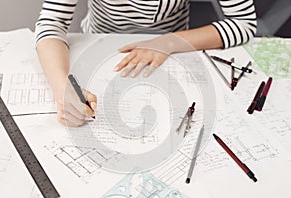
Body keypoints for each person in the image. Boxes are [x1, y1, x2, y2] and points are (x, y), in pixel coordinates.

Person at [35, 0, 257, 127]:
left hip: (173, 51)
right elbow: (51, 22)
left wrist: (168, 42)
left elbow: (244, 24)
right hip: (100, 44)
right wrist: (62, 87)